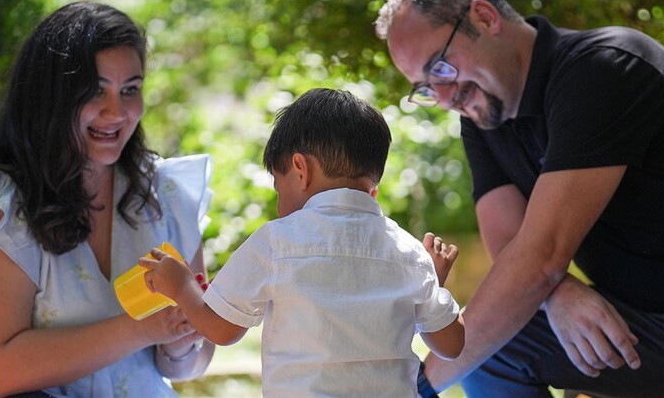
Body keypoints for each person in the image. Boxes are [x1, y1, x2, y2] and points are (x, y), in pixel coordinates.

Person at [374, 0, 664, 398]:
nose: (446, 99)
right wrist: (557, 294)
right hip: (645, 329)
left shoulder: (604, 65)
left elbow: (541, 256)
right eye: (427, 88)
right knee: (486, 348)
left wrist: (416, 388)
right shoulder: (484, 120)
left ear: (485, 18)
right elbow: (511, 243)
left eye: (442, 68)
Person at [0, 1, 215, 397]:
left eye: (130, 90)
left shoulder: (167, 195)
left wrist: (180, 339)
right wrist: (145, 327)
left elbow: (193, 361)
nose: (116, 111)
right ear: (48, 97)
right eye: (94, 91)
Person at [139, 88, 465, 398]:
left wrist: (182, 286)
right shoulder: (409, 254)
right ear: (372, 191)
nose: (279, 198)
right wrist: (432, 282)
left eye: (278, 186)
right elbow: (451, 345)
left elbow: (222, 330)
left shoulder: (276, 243)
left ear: (300, 169)